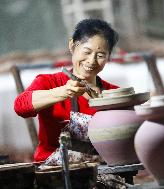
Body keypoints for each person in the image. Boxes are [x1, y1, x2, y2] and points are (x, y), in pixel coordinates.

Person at [14, 18, 119, 162]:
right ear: (72, 45)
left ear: (108, 57)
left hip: (102, 171)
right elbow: (20, 107)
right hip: (54, 173)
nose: (92, 61)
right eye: (87, 51)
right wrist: (63, 92)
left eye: (101, 55)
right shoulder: (49, 82)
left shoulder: (115, 93)